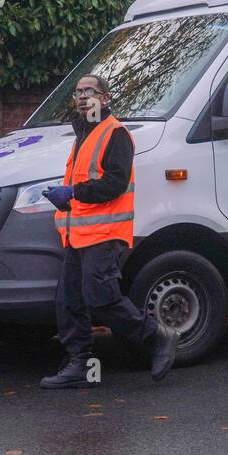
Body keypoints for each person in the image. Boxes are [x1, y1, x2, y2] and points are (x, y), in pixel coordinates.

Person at [39, 74, 178, 388]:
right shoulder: (83, 135)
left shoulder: (115, 133)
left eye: (90, 91)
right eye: (78, 92)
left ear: (106, 98)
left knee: (101, 298)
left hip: (105, 233)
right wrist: (62, 198)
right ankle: (82, 367)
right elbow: (85, 181)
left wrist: (72, 194)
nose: (83, 97)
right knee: (69, 301)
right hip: (78, 234)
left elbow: (114, 184)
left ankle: (158, 336)